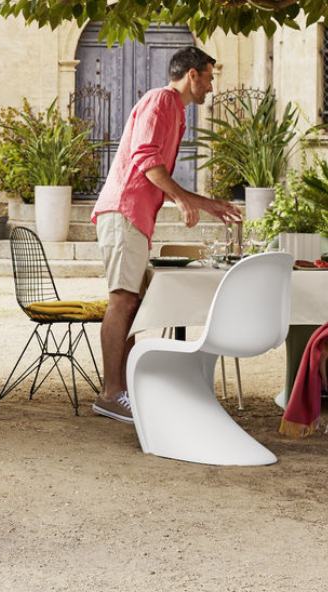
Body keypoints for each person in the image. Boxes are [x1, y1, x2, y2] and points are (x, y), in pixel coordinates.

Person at [92, 46, 243, 423]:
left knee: (131, 303)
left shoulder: (176, 112)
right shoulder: (161, 100)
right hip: (124, 210)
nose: (210, 86)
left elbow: (154, 166)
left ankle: (122, 389)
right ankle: (110, 393)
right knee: (122, 300)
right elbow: (146, 159)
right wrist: (182, 199)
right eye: (208, 77)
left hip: (135, 217)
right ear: (192, 75)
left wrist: (204, 203)